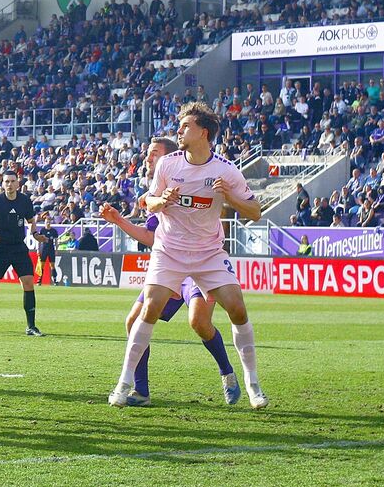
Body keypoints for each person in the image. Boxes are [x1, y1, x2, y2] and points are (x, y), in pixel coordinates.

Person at [108, 102, 269, 409]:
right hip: (170, 250)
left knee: (236, 307)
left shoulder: (225, 170)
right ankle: (124, 384)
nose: (179, 131)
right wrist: (161, 200)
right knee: (150, 308)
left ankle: (252, 385)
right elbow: (149, 202)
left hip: (208, 252)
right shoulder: (169, 165)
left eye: (185, 127)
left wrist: (231, 197)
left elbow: (255, 212)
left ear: (203, 133)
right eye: (179, 126)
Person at [99, 137, 240, 407]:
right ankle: (141, 392)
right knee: (133, 320)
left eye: (154, 153)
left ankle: (228, 373)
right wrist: (119, 220)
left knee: (198, 322)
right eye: (149, 153)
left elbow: (153, 236)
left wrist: (121, 221)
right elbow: (152, 236)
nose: (148, 158)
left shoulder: (190, 178)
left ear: (170, 156)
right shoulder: (156, 189)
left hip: (198, 265)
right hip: (169, 264)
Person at [0, 170, 48, 336]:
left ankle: (31, 326)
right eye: (7, 181)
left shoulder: (25, 201)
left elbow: (31, 221)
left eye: (13, 181)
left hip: (19, 247)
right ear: (2, 183)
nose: (10, 184)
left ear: (18, 183)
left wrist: (35, 234)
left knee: (28, 282)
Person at [36, 217, 59, 285]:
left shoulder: (54, 231)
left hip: (51, 249)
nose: (48, 223)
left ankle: (54, 280)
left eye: (49, 222)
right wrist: (38, 249)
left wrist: (56, 249)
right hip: (44, 249)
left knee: (52, 265)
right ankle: (40, 280)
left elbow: (56, 241)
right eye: (47, 222)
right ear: (45, 222)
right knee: (42, 265)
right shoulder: (42, 230)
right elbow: (39, 241)